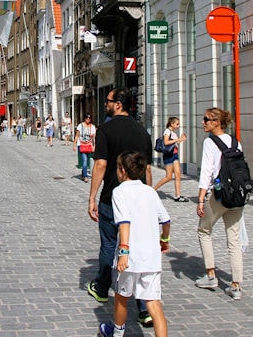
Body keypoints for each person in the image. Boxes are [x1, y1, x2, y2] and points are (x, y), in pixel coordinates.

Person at [87, 88, 155, 328]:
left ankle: (103, 287)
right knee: (137, 249)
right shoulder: (143, 133)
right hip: (138, 200)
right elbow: (146, 170)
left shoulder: (105, 130)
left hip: (111, 198)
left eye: (108, 101)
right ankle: (145, 308)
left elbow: (100, 164)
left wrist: (92, 197)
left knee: (109, 244)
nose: (105, 103)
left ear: (118, 105)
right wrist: (149, 196)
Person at [98, 150, 171, 337]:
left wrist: (123, 251)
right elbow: (166, 220)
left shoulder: (119, 192)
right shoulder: (150, 191)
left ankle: (117, 333)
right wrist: (165, 240)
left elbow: (124, 222)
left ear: (122, 170)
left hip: (130, 257)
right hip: (151, 257)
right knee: (154, 304)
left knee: (121, 297)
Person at [195, 107, 245, 300]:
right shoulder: (235, 141)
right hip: (237, 196)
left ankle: (210, 275)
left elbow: (207, 172)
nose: (203, 122)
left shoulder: (210, 142)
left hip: (219, 195)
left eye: (206, 119)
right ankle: (236, 285)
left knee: (204, 230)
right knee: (234, 240)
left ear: (216, 122)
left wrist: (200, 199)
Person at [153, 117, 189, 202]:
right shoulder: (167, 131)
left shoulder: (172, 133)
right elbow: (166, 142)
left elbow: (174, 143)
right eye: (177, 124)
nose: (178, 126)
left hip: (175, 154)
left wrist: (181, 139)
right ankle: (153, 190)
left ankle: (178, 196)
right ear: (171, 124)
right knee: (168, 177)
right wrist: (178, 139)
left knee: (178, 175)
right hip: (169, 155)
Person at [73, 113, 96, 183]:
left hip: (89, 145)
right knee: (85, 160)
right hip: (81, 145)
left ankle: (83, 173)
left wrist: (94, 146)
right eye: (87, 118)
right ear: (84, 118)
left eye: (89, 118)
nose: (88, 119)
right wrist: (74, 144)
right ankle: (85, 176)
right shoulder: (80, 126)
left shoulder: (92, 127)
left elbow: (93, 138)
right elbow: (77, 136)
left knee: (87, 161)